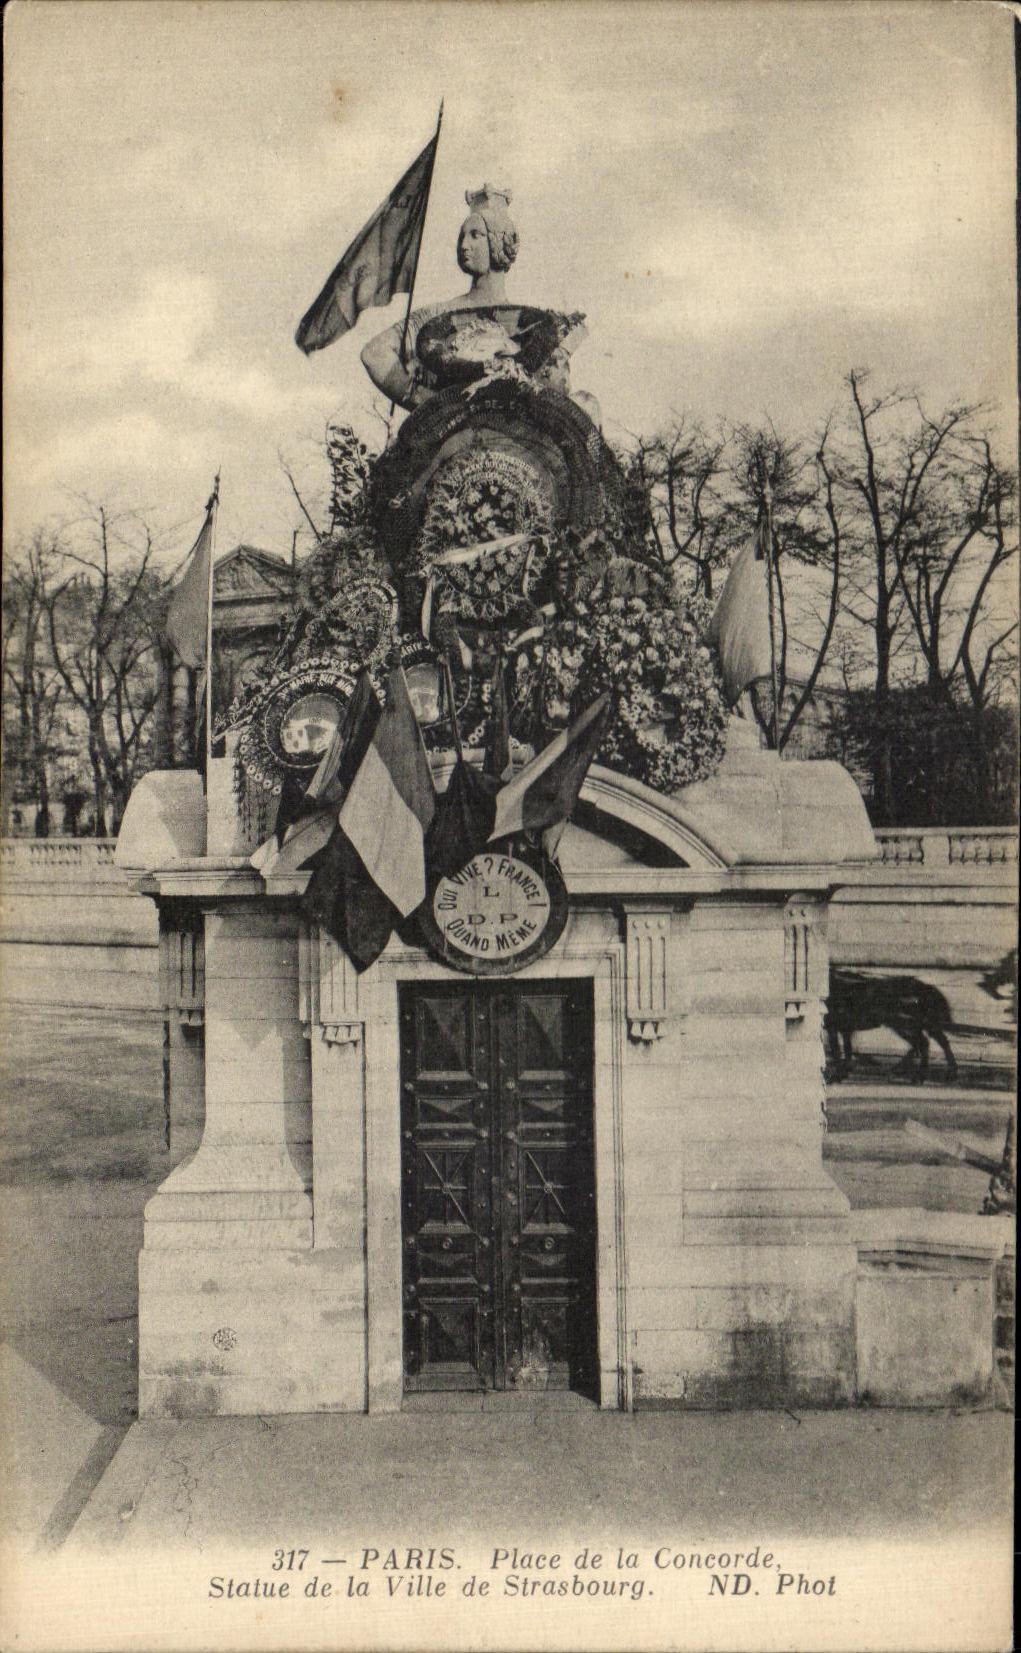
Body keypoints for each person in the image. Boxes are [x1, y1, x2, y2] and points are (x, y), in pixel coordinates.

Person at [360, 184, 520, 411]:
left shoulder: (525, 322)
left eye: (476, 235)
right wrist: (427, 403)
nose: (464, 245)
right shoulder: (436, 315)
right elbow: (374, 354)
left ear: (498, 241)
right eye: (462, 237)